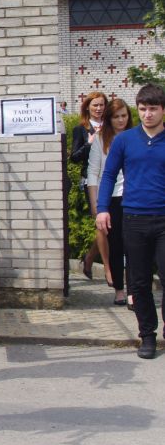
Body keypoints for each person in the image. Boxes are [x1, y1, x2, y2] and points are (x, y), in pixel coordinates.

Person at [96, 84, 165, 360]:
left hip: (164, 219)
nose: (147, 114)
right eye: (143, 108)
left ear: (163, 110)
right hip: (133, 217)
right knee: (138, 281)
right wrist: (102, 209)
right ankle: (147, 336)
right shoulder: (125, 141)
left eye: (153, 109)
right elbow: (109, 175)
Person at [87, 98, 131, 306]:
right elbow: (93, 173)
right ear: (109, 119)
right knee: (115, 244)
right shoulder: (100, 139)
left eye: (124, 116)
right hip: (111, 198)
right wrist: (96, 204)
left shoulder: (135, 137)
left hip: (132, 197)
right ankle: (119, 289)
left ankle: (133, 289)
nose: (121, 120)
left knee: (134, 245)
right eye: (116, 117)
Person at [71, 91, 108, 279]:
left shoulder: (110, 126)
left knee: (110, 224)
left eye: (102, 105)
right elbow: (74, 157)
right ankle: (105, 268)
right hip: (91, 181)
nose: (99, 109)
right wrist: (89, 144)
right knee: (101, 223)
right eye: (95, 105)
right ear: (88, 107)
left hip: (113, 180)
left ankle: (89, 257)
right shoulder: (81, 129)